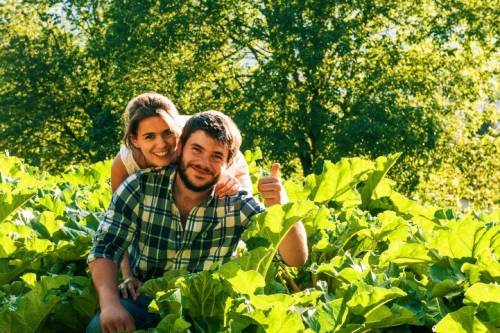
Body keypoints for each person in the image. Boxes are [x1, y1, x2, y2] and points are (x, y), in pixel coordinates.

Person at [87, 111, 308, 333]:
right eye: (197, 149)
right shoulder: (140, 186)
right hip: (144, 300)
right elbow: (105, 246)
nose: (203, 162)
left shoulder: (236, 202)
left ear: (228, 162)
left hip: (207, 313)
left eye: (216, 156)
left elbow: (295, 258)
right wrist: (109, 303)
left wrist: (281, 205)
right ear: (181, 146)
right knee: (99, 328)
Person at [111, 92, 253, 300]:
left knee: (225, 203)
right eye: (149, 137)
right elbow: (118, 224)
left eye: (168, 134)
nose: (162, 145)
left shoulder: (188, 143)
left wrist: (226, 176)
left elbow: (221, 157)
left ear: (178, 132)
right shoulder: (125, 163)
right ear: (135, 140)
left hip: (230, 165)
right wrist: (127, 275)